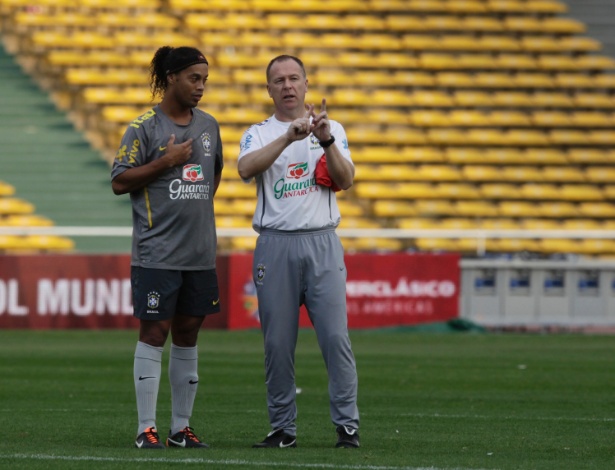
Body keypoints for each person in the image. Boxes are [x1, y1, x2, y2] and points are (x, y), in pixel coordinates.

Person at [237, 55, 360, 449]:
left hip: (322, 242)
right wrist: (288, 137)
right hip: (275, 244)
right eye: (279, 80)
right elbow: (244, 169)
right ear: (269, 89)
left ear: (306, 84)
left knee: (336, 338)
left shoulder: (333, 129)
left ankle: (347, 427)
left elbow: (346, 179)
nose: (287, 86)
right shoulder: (258, 133)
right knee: (276, 343)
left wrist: (322, 138)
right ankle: (282, 428)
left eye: (294, 78)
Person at [111, 46, 223, 449]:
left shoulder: (209, 127)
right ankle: (146, 428)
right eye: (194, 78)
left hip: (199, 254)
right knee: (155, 331)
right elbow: (120, 182)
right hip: (156, 253)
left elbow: (213, 179)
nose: (201, 87)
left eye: (205, 80)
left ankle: (180, 427)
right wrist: (166, 161)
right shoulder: (143, 127)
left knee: (189, 332)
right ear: (172, 77)